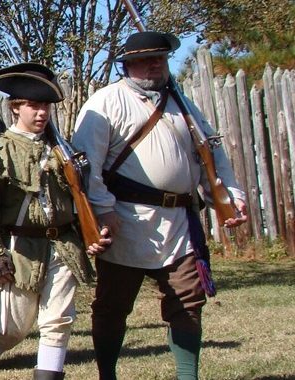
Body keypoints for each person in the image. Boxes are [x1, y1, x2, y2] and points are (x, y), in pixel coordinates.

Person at [72, 31, 248, 380]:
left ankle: (188, 376)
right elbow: (85, 166)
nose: (156, 64)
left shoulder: (181, 103)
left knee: (188, 303)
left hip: (180, 222)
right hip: (125, 218)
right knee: (112, 307)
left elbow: (211, 154)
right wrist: (103, 208)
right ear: (128, 64)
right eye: (147, 59)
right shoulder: (105, 102)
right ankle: (107, 374)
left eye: (161, 58)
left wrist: (231, 195)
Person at [0, 63, 110, 380]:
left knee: (58, 320)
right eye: (33, 105)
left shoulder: (64, 148)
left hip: (61, 243)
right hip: (18, 247)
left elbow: (81, 196)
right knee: (8, 330)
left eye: (46, 106)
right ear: (16, 107)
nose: (41, 113)